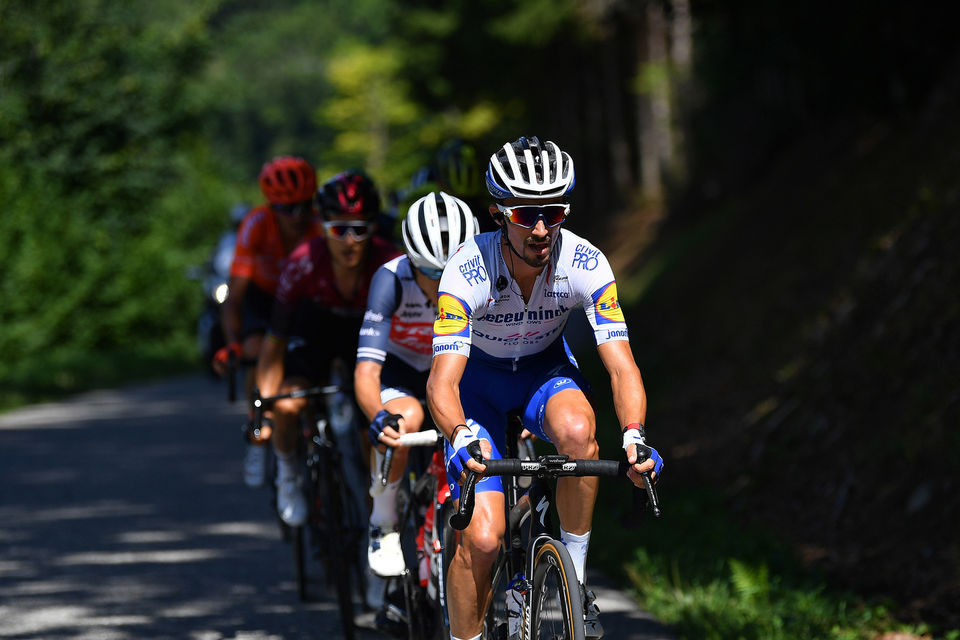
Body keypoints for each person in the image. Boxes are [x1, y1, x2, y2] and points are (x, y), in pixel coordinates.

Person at [425, 136, 664, 640]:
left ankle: (574, 581)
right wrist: (459, 434)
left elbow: (621, 366)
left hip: (543, 372)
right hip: (477, 390)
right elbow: (443, 382)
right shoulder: (466, 270)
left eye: (553, 214)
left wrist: (635, 435)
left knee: (579, 433)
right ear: (497, 214)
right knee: (484, 541)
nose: (540, 229)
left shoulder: (586, 262)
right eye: (524, 215)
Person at [254, 170, 401, 527]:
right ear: (323, 228)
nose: (349, 241)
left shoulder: (391, 262)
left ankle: (377, 524)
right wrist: (263, 405)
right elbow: (275, 343)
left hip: (366, 334)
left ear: (374, 229)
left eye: (360, 229)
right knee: (289, 404)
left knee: (376, 428)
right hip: (315, 330)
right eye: (338, 229)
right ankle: (288, 473)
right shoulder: (303, 262)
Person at [354, 191, 479, 578]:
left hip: (457, 370)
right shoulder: (390, 279)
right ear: (410, 260)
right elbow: (366, 371)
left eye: (453, 270)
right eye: (432, 273)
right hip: (402, 371)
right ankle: (384, 522)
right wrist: (377, 417)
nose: (444, 283)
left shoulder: (487, 271)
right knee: (403, 418)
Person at [211, 156, 322, 488]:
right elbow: (235, 296)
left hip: (302, 298)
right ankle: (258, 431)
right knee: (256, 348)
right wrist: (232, 344)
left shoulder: (318, 226)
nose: (297, 216)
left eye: (304, 206)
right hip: (262, 296)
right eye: (288, 209)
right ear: (272, 207)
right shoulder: (256, 224)